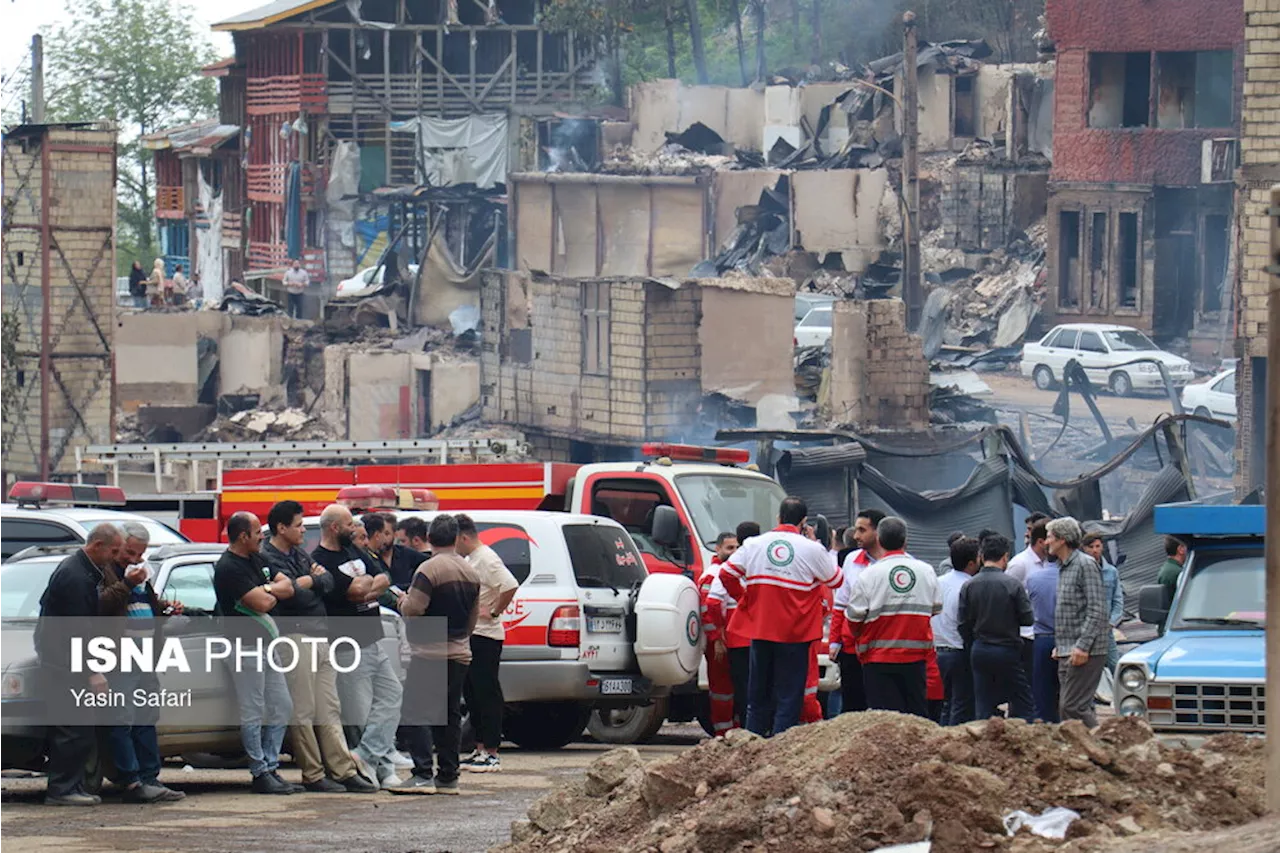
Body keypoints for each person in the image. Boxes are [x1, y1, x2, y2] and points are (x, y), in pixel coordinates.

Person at [261, 501, 375, 794]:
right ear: (281, 528)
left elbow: (326, 583)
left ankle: (342, 769)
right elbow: (292, 596)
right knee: (303, 709)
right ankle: (313, 773)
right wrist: (311, 581)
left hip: (319, 634)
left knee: (329, 706)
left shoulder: (298, 553)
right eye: (298, 526)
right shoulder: (269, 558)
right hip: (294, 636)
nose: (303, 531)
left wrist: (308, 582)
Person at [719, 498, 843, 736]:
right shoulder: (812, 549)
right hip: (795, 634)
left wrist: (747, 600)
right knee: (789, 696)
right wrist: (816, 545)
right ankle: (779, 747)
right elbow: (836, 580)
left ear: (778, 518)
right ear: (804, 522)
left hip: (761, 628)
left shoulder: (754, 544)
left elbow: (726, 575)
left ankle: (752, 745)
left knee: (757, 695)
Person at [312, 505, 404, 789]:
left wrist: (366, 585)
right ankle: (380, 770)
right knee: (361, 713)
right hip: (348, 647)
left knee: (392, 698)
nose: (355, 529)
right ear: (334, 528)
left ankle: (366, 756)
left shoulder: (356, 551)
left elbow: (384, 578)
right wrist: (365, 585)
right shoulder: (319, 560)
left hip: (373, 641)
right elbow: (353, 591)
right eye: (349, 524)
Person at [393, 515, 482, 795]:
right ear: (456, 538)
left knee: (415, 711)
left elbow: (414, 608)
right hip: (459, 652)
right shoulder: (470, 572)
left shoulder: (428, 569)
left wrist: (403, 601)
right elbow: (473, 619)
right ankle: (448, 775)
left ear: (430, 538)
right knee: (450, 715)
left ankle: (421, 774)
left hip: (429, 652)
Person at [35, 524, 123, 806]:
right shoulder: (75, 576)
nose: (115, 556)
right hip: (65, 664)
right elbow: (78, 630)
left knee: (80, 727)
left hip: (64, 659)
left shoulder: (81, 570)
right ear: (97, 545)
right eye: (113, 550)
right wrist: (93, 671)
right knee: (72, 728)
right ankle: (62, 789)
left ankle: (71, 785)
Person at [98, 522, 186, 803]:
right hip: (121, 656)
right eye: (130, 552)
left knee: (146, 716)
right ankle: (132, 781)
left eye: (140, 554)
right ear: (118, 545)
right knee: (123, 717)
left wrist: (162, 609)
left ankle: (150, 776)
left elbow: (142, 603)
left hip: (145, 654)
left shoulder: (137, 573)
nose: (134, 559)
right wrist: (128, 583)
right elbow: (102, 605)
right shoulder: (107, 570)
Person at [213, 511, 299, 795]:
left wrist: (266, 588)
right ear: (243, 536)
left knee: (282, 705)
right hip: (244, 647)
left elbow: (288, 586)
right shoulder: (228, 568)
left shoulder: (256, 558)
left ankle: (271, 766)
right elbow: (263, 603)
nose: (262, 537)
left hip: (267, 645)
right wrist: (270, 592)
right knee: (253, 710)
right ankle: (259, 772)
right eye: (257, 533)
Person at [845, 517, 941, 718]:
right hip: (916, 660)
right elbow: (935, 608)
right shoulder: (927, 571)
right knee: (916, 720)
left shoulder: (869, 575)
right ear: (906, 540)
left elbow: (853, 619)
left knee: (884, 723)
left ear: (878, 539)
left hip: (877, 659)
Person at [455, 514, 519, 771]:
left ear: (464, 537)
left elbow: (510, 585)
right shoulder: (472, 559)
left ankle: (492, 751)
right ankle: (479, 748)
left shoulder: (487, 559)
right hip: (472, 633)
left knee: (486, 692)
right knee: (472, 693)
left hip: (486, 636)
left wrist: (493, 612)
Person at [959, 535, 1033, 721]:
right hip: (1007, 649)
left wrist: (973, 643)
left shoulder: (969, 585)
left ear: (981, 556)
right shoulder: (1012, 584)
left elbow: (962, 624)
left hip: (980, 649)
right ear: (1005, 557)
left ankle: (983, 743)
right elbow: (1028, 619)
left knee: (983, 702)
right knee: (1022, 700)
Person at [1048, 517, 1109, 728]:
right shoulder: (1064, 567)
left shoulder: (1085, 565)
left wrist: (1082, 646)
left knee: (1073, 706)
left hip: (1086, 650)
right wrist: (1061, 645)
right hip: (1067, 650)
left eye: (1050, 537)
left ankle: (1102, 748)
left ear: (1062, 540)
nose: (1046, 542)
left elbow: (1097, 609)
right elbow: (1070, 609)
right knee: (1069, 708)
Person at [830, 509, 886, 714]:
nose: (856, 536)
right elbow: (840, 603)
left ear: (878, 532)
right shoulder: (852, 560)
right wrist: (835, 640)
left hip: (882, 647)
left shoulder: (896, 563)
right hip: (851, 646)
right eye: (856, 530)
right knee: (852, 705)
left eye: (862, 530)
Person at [707, 521, 758, 728]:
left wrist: (719, 634)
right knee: (762, 688)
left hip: (738, 639)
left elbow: (712, 602)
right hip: (765, 636)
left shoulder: (731, 566)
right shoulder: (764, 561)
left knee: (743, 689)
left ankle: (748, 731)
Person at [1005, 521, 1049, 722]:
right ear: (1041, 541)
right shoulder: (1019, 564)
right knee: (1024, 686)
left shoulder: (1050, 562)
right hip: (1025, 637)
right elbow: (1005, 597)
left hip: (1043, 633)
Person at [933, 536, 979, 725]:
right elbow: (968, 622)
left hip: (937, 651)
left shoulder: (938, 581)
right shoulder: (970, 586)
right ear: (971, 563)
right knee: (961, 705)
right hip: (959, 652)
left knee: (945, 704)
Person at [698, 532, 741, 735]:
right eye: (729, 548)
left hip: (732, 641)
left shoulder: (729, 572)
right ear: (718, 549)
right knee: (722, 692)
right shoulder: (712, 574)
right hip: (720, 644)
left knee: (733, 690)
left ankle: (732, 731)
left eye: (736, 548)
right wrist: (716, 640)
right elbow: (706, 612)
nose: (733, 552)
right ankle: (723, 735)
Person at [1026, 548, 1061, 723]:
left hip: (1041, 639)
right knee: (1066, 692)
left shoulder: (1033, 579)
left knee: (1042, 694)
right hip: (1066, 639)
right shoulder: (1069, 579)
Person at [1083, 533, 1125, 673]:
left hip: (1105, 628)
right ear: (1084, 549)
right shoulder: (1081, 570)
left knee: (1115, 665)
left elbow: (1117, 600)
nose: (1095, 550)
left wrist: (1111, 622)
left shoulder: (1111, 572)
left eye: (1097, 546)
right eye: (1091, 547)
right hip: (1085, 628)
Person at [368, 513, 428, 591]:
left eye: (386, 533)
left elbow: (430, 563)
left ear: (395, 534)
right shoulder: (368, 557)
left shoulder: (406, 553)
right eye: (379, 534)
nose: (382, 538)